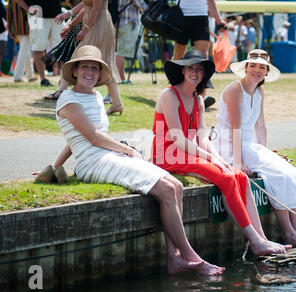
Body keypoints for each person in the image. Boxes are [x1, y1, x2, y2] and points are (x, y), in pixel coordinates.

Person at [45, 44, 225, 276]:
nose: (90, 72)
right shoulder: (68, 100)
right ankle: (191, 255)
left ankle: (175, 258)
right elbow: (91, 136)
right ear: (75, 72)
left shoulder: (97, 96)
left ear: (100, 74)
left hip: (108, 155)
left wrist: (55, 166)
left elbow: (74, 139)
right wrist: (126, 149)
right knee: (166, 189)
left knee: (176, 186)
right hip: (92, 162)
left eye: (95, 68)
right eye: (85, 67)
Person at [151, 49, 291, 256]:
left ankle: (262, 238)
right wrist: (212, 160)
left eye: (199, 69)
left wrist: (220, 159)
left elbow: (202, 137)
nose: (195, 73)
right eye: (191, 68)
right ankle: (255, 242)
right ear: (182, 71)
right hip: (168, 155)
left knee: (237, 175)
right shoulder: (169, 95)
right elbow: (178, 139)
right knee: (226, 178)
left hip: (189, 153)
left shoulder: (198, 100)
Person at [212, 49, 296, 247]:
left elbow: (260, 125)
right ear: (245, 68)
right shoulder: (235, 89)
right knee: (278, 175)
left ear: (267, 71)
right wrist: (238, 162)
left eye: (262, 67)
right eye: (252, 65)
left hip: (249, 145)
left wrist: (266, 152)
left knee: (293, 173)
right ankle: (289, 233)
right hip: (229, 145)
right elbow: (236, 128)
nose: (256, 70)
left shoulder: (260, 91)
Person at [47, 0, 124, 116]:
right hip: (95, 24)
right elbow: (86, 7)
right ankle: (116, 103)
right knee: (101, 62)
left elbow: (96, 9)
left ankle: (75, 100)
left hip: (99, 26)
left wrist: (85, 30)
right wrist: (70, 24)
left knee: (80, 59)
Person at [172, 0, 226, 109]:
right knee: (178, 57)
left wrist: (218, 19)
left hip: (201, 17)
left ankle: (201, 96)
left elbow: (210, 1)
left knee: (202, 58)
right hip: (181, 16)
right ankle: (174, 93)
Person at [14, 0, 64, 87]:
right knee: (38, 48)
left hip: (57, 14)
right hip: (36, 16)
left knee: (62, 48)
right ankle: (43, 80)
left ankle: (64, 79)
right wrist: (27, 8)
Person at [115, 0, 147, 84]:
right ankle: (118, 80)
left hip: (118, 22)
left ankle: (122, 78)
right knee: (121, 52)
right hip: (128, 22)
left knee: (120, 51)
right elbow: (143, 8)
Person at [6, 0, 36, 82]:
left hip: (16, 28)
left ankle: (30, 75)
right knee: (24, 51)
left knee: (26, 51)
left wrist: (10, 29)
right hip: (26, 28)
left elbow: (9, 14)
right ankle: (17, 76)